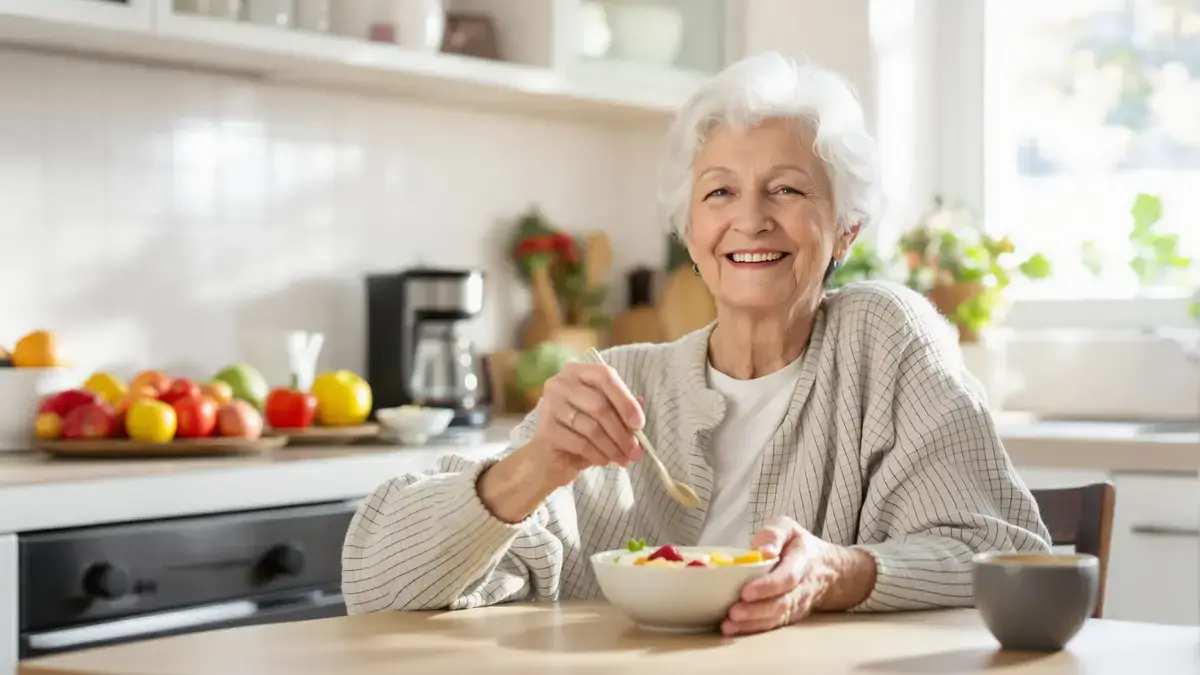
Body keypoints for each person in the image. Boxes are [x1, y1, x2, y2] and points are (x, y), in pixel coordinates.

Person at [341, 51, 1051, 636]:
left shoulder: (885, 339)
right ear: (687, 228)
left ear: (846, 229)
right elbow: (375, 584)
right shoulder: (621, 385)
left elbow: (1006, 553)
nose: (751, 219)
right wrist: (530, 470)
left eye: (787, 190)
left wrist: (836, 572)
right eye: (719, 193)